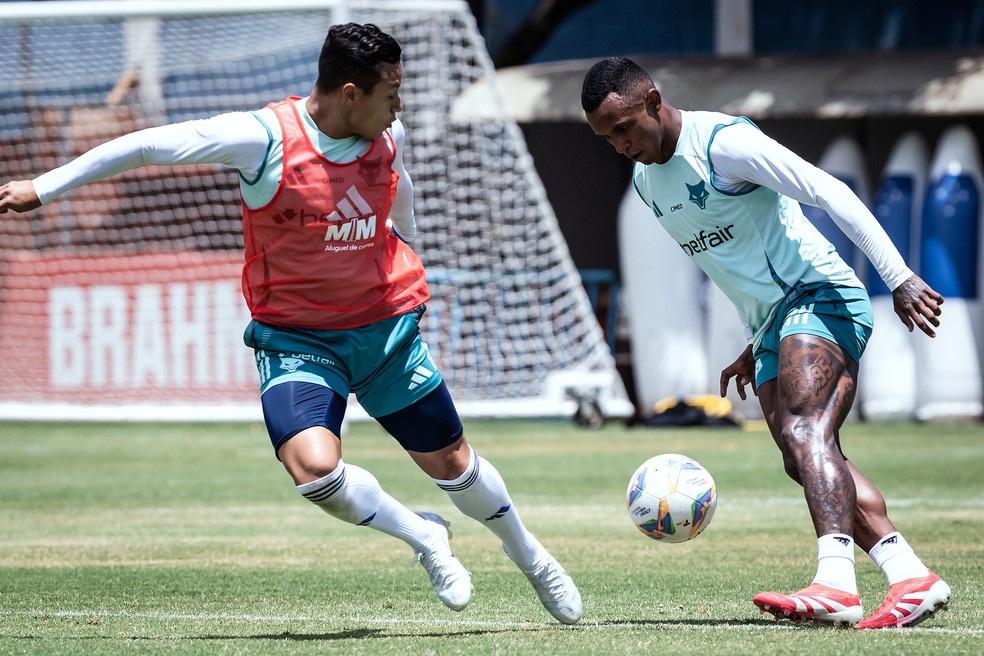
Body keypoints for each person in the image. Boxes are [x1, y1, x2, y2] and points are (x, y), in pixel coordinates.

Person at [0, 23, 582, 625]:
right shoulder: (261, 139)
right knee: (314, 471)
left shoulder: (388, 134)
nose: (400, 106)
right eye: (392, 93)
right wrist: (43, 187)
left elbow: (399, 186)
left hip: (383, 331)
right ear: (351, 93)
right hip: (297, 339)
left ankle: (531, 557)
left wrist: (407, 245)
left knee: (452, 464)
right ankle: (424, 536)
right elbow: (146, 145)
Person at [581, 56, 951, 629]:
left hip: (820, 294)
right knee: (802, 456)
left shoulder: (723, 145)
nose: (620, 145)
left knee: (807, 432)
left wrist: (898, 276)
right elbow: (733, 264)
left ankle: (836, 584)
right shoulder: (647, 182)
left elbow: (828, 190)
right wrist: (756, 339)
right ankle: (910, 576)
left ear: (653, 101)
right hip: (775, 322)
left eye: (624, 128)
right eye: (607, 137)